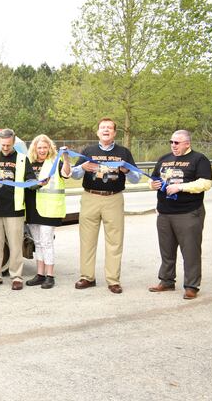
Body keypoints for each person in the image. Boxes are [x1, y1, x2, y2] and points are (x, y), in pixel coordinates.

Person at [71, 117, 140, 294]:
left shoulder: (124, 152)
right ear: (98, 132)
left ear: (115, 132)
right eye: (103, 127)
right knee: (87, 240)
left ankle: (113, 280)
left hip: (113, 199)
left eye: (109, 128)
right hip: (90, 197)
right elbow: (75, 175)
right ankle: (87, 277)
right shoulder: (88, 150)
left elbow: (136, 178)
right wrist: (83, 167)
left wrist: (126, 170)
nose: (106, 130)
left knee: (115, 241)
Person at [148, 130, 212, 300]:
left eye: (177, 142)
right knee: (166, 250)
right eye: (171, 142)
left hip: (188, 212)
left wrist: (180, 187)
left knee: (190, 250)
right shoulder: (164, 159)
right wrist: (152, 184)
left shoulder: (199, 159)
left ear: (187, 143)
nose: (173, 145)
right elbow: (153, 178)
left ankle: (191, 285)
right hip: (164, 212)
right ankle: (167, 281)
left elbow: (205, 183)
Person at [0, 129, 36, 291]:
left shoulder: (22, 159)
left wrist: (36, 182)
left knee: (15, 246)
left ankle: (16, 276)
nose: (5, 148)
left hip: (14, 209)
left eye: (8, 145)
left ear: (13, 142)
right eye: (2, 145)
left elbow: (30, 179)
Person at [24, 135, 71, 289]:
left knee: (46, 242)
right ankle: (40, 274)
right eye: (39, 148)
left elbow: (66, 174)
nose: (42, 150)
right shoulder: (28, 163)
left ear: (50, 148)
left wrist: (66, 158)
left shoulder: (55, 162)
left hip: (49, 209)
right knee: (37, 243)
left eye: (45, 147)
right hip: (32, 208)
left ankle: (50, 275)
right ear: (34, 149)